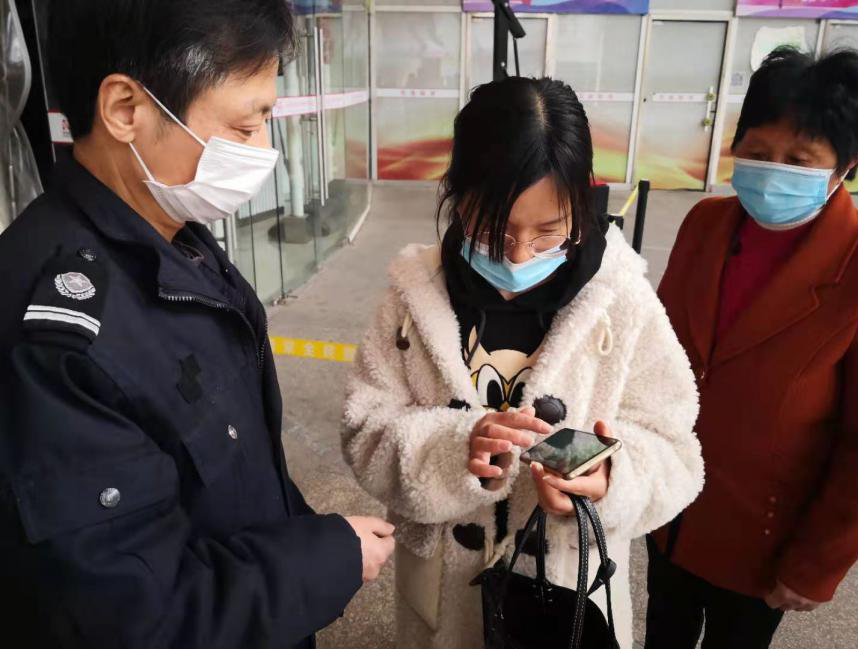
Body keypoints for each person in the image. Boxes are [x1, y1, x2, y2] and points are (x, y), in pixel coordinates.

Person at [0, 1, 395, 647]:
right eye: (244, 126)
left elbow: (233, 468)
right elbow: (137, 618)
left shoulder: (174, 240)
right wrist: (324, 560)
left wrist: (304, 533)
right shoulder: (58, 342)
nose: (263, 151)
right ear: (125, 109)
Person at [342, 76, 705, 649]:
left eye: (550, 232)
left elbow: (676, 450)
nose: (518, 253)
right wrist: (454, 450)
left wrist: (611, 479)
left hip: (568, 602)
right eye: (494, 228)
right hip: (444, 600)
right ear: (456, 194)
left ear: (582, 205)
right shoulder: (413, 296)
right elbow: (364, 429)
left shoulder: (622, 299)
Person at [646, 47, 858, 649]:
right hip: (669, 509)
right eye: (759, 153)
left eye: (798, 160)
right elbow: (657, 351)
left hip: (765, 542)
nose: (772, 172)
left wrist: (817, 565)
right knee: (662, 631)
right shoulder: (706, 223)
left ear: (845, 166)